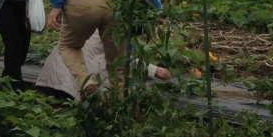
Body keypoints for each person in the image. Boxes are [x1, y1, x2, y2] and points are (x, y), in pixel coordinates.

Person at [34, 32, 171, 101]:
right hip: (68, 80)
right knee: (114, 73)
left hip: (50, 76)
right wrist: (154, 70)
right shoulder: (113, 32)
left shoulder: (92, 22)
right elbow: (122, 58)